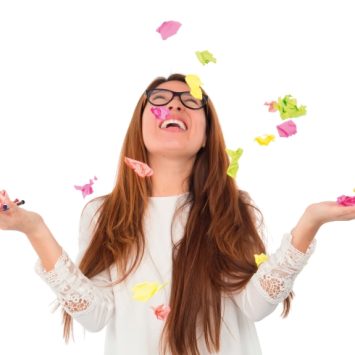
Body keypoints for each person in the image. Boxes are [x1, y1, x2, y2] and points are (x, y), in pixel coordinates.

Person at [1, 73, 355, 355]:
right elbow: (94, 316)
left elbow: (254, 306)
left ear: (205, 135)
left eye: (191, 102)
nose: (174, 106)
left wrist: (310, 222)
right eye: (160, 99)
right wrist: (35, 230)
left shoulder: (235, 208)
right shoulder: (102, 213)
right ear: (139, 126)